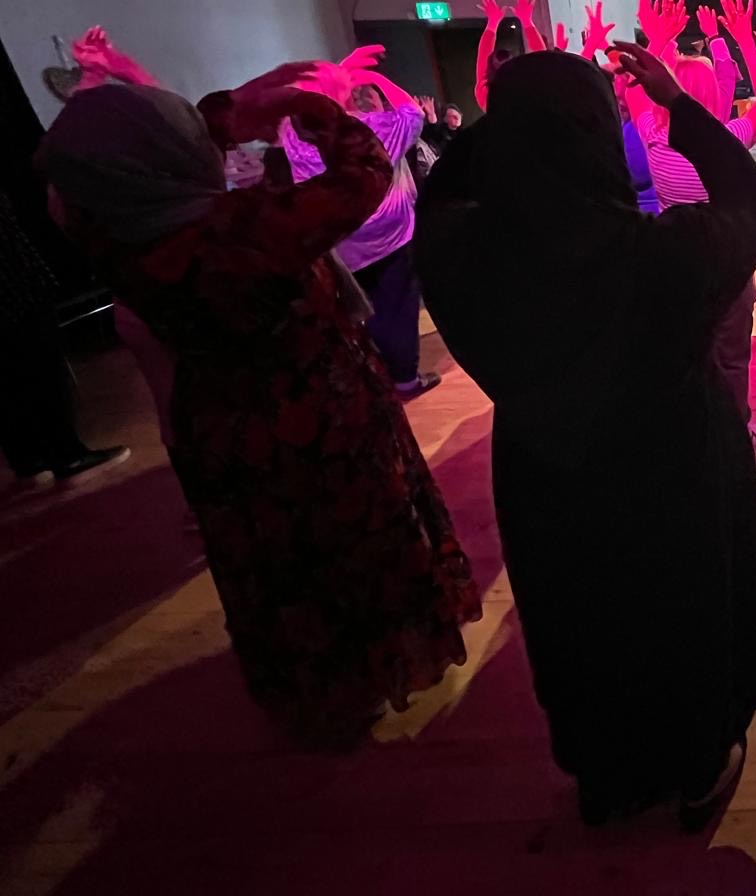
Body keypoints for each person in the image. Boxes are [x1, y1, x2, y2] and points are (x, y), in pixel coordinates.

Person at [413, 44, 756, 829]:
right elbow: (747, 194)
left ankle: (609, 779)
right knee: (682, 610)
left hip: (544, 473)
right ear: (599, 133)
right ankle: (699, 769)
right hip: (672, 467)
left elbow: (442, 196)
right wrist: (676, 106)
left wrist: (504, 116)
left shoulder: (461, 258)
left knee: (579, 622)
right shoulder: (668, 253)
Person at [38, 70, 482, 744]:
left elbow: (156, 158)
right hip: (312, 421)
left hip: (221, 419)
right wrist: (313, 108)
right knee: (347, 549)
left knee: (279, 567)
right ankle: (367, 676)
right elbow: (363, 173)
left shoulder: (107, 230)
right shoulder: (240, 230)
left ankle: (318, 687)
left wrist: (229, 114)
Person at [627, 0, 756, 441]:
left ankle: (691, 429)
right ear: (713, 93)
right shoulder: (731, 136)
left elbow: (635, 89)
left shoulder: (653, 137)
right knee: (732, 358)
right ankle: (736, 429)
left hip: (675, 262)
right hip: (728, 262)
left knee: (684, 353)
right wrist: (742, 41)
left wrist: (658, 39)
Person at [281, 48, 439, 399]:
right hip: (391, 238)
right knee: (397, 310)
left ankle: (373, 377)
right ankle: (405, 380)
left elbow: (299, 113)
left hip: (342, 242)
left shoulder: (296, 139)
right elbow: (413, 113)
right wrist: (375, 78)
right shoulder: (373, 130)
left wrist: (335, 79)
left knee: (360, 310)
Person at [0, 188, 129, 484]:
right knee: (41, 362)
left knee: (11, 372)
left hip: (13, 280)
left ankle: (29, 457)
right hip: (15, 280)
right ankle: (66, 454)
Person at [474, 0, 546, 111]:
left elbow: (543, 60)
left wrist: (492, 24)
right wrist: (527, 23)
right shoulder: (530, 87)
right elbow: (544, 60)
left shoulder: (488, 95)